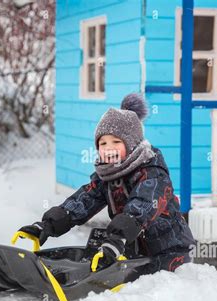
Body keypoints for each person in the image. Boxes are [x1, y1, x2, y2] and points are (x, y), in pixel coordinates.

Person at [19, 93, 196, 273]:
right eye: (102, 143)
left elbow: (142, 206)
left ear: (132, 145)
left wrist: (118, 237)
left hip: (170, 253)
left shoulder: (153, 173)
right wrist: (48, 225)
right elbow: (84, 200)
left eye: (116, 141)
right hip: (132, 249)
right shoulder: (107, 175)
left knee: (145, 289)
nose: (108, 148)